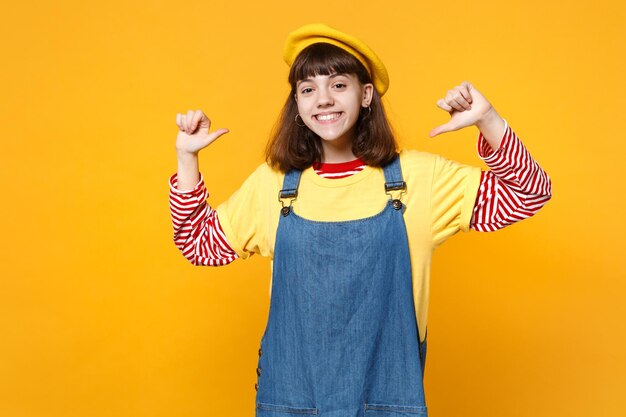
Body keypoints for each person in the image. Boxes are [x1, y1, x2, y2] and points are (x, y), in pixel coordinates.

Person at [168, 23, 551, 417]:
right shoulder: (272, 185)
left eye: (338, 85)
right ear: (297, 104)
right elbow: (198, 243)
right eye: (308, 89)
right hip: (291, 401)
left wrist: (487, 120)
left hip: (388, 401)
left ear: (365, 94)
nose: (322, 100)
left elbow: (530, 193)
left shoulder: (421, 180)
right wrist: (187, 158)